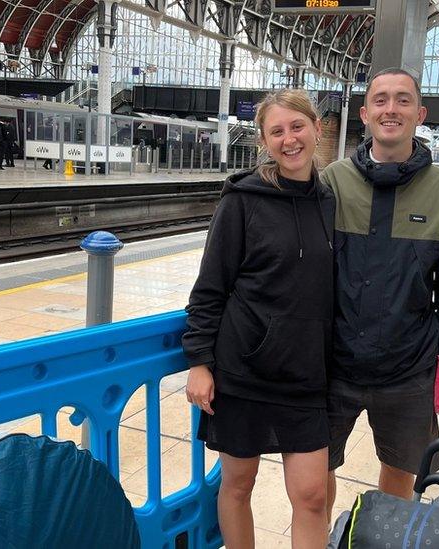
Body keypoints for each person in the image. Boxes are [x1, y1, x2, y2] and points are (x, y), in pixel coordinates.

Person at [319, 68, 439, 515]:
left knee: (399, 475)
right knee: (315, 476)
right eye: (382, 100)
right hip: (332, 363)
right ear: (365, 113)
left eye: (403, 100)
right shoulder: (334, 182)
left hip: (406, 369)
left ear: (419, 114)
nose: (392, 109)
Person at [182, 88, 334, 548]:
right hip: (244, 369)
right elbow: (211, 287)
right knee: (238, 484)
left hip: (307, 374)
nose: (289, 139)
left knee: (310, 494)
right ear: (264, 142)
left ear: (317, 129)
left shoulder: (330, 202)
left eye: (297, 127)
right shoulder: (242, 201)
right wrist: (200, 362)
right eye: (277, 131)